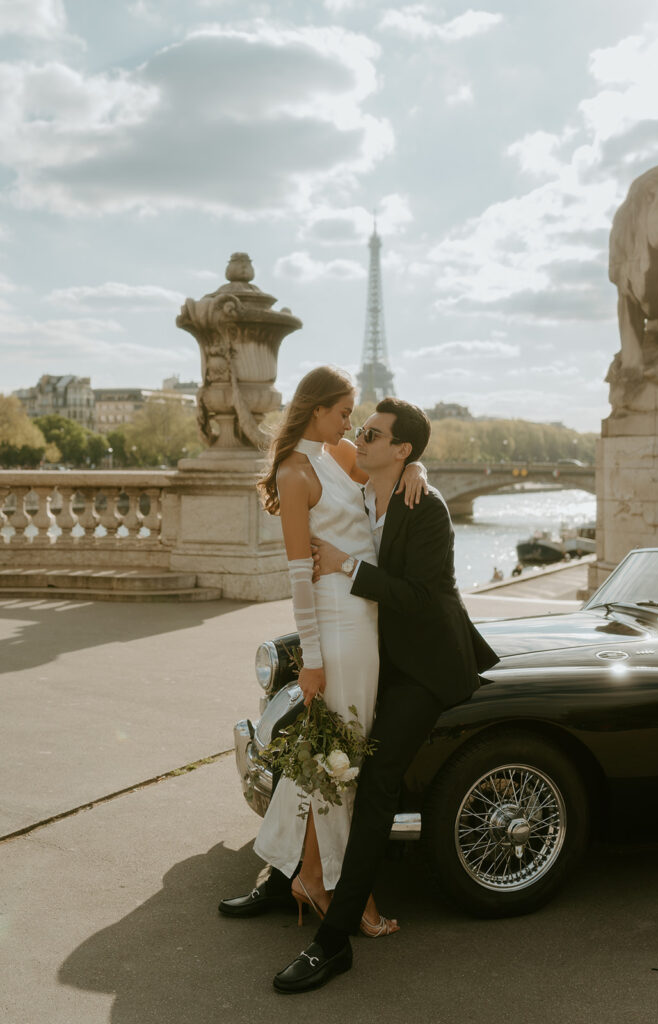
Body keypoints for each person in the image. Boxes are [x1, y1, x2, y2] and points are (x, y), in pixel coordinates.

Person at [273, 397, 499, 993]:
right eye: (361, 428)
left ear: (400, 450)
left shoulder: (426, 508)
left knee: (373, 781)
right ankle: (297, 877)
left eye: (373, 433)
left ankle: (333, 941)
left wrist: (348, 567)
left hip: (424, 668)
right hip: (379, 655)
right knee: (328, 757)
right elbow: (320, 452)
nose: (360, 436)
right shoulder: (365, 485)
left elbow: (425, 599)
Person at [218, 367, 426, 931]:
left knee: (331, 757)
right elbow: (296, 578)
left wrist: (419, 467)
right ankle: (337, 888)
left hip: (364, 619)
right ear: (318, 411)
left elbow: (387, 469)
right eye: (343, 412)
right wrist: (312, 660)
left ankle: (300, 875)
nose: (351, 424)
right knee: (343, 761)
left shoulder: (336, 457)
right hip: (339, 630)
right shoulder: (294, 473)